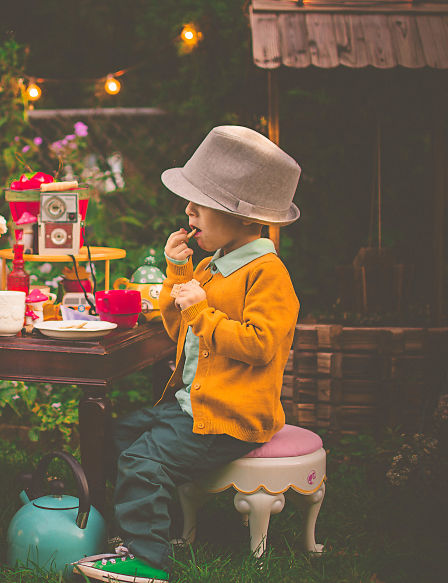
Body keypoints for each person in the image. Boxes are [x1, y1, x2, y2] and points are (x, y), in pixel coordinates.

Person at [74, 126, 302, 583]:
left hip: (229, 417)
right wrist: (179, 271)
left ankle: (147, 561)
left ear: (242, 217)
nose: (188, 211)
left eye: (200, 202)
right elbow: (180, 328)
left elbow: (260, 345)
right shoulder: (212, 266)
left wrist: (201, 311)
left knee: (143, 462)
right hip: (192, 407)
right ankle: (150, 529)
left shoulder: (267, 274)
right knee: (116, 437)